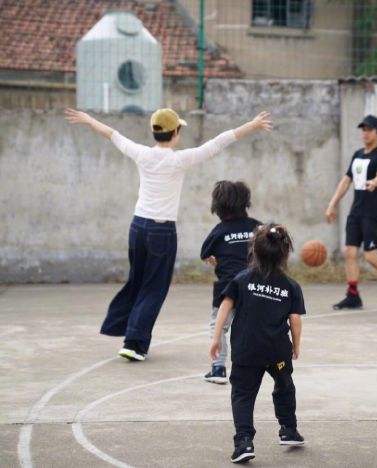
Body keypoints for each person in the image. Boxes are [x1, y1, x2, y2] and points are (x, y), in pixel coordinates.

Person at [65, 108, 272, 361]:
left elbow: (112, 134)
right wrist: (252, 124)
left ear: (154, 132)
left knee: (138, 281)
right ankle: (135, 343)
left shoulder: (141, 153)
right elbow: (218, 142)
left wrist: (87, 119)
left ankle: (124, 330)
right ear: (175, 133)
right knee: (154, 288)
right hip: (161, 232)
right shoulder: (179, 159)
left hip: (137, 228)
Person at [210, 223, 305, 464]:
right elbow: (295, 320)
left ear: (254, 250)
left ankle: (244, 442)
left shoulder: (242, 279)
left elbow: (225, 307)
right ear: (285, 254)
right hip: (277, 352)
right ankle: (289, 430)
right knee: (285, 386)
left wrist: (216, 337)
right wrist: (296, 345)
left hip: (246, 351)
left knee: (242, 394)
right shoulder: (291, 286)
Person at [325, 115, 377, 310]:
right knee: (349, 252)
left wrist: (375, 182)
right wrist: (332, 204)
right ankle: (353, 296)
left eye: (369, 129)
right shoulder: (358, 155)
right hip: (356, 211)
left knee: (370, 256)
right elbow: (346, 181)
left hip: (373, 213)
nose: (365, 133)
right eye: (363, 129)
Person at [201, 180, 260, 384]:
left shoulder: (219, 231)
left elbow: (204, 253)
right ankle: (253, 366)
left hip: (227, 288)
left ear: (217, 207)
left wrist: (213, 258)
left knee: (218, 326)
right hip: (255, 286)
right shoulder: (257, 227)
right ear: (246, 202)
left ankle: (218, 368)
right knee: (251, 326)